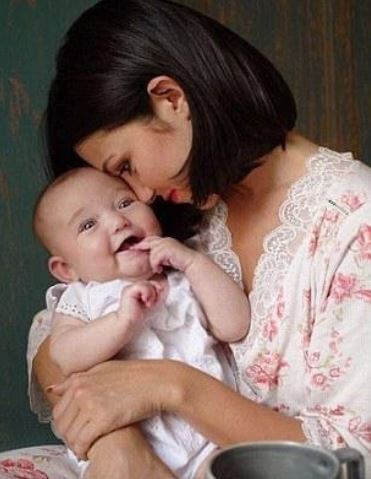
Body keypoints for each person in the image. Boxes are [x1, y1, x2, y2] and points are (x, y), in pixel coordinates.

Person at [1, 0, 369, 478]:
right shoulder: (175, 210)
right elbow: (55, 344)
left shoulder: (352, 224)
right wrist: (118, 440)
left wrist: (170, 386)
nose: (132, 197)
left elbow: (356, 456)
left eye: (125, 167)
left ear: (171, 98)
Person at [32, 166, 248, 478]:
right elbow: (65, 355)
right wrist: (121, 322)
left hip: (209, 441)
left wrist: (192, 263)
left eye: (124, 203)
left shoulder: (183, 275)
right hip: (131, 446)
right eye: (89, 224)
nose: (118, 221)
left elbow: (234, 325)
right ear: (67, 269)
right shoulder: (81, 298)